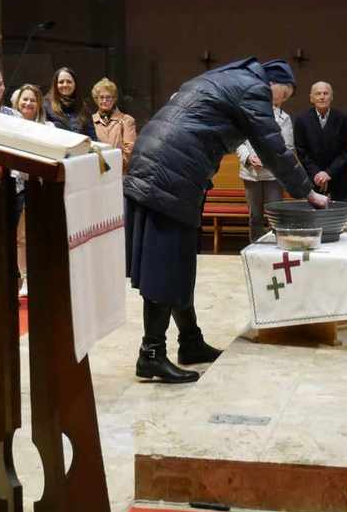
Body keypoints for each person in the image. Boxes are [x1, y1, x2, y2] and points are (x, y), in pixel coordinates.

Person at [125, 57, 327, 384]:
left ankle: (190, 342)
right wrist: (307, 192)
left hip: (159, 163)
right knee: (165, 265)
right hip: (170, 172)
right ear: (274, 83)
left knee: (179, 262)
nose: (280, 102)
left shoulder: (228, 77)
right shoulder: (254, 89)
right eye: (284, 94)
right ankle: (151, 354)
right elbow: (272, 147)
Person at [236, 75, 296, 242]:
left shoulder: (284, 118)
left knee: (276, 216)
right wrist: (249, 157)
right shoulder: (247, 113)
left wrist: (266, 159)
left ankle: (276, 250)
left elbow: (288, 147)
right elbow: (238, 141)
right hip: (250, 174)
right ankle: (254, 249)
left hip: (273, 175)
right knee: (255, 217)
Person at [11, 84, 49, 298]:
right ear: (17, 103)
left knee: (37, 234)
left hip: (39, 186)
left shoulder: (47, 127)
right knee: (20, 237)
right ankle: (23, 277)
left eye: (32, 100)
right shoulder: (9, 124)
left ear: (39, 104)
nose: (28, 103)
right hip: (15, 186)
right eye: (24, 99)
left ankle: (38, 276)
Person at [293, 81, 347, 202]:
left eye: (325, 93)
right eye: (318, 94)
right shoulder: (302, 119)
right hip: (313, 179)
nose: (322, 97)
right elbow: (301, 151)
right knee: (314, 214)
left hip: (340, 179)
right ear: (311, 98)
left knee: (341, 214)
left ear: (331, 97)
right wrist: (317, 174)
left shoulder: (344, 118)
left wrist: (328, 173)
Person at [91, 77, 137, 172]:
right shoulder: (89, 121)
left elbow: (129, 150)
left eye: (108, 97)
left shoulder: (127, 120)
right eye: (101, 97)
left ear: (114, 99)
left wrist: (113, 167)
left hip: (120, 173)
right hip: (96, 171)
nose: (104, 100)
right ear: (96, 99)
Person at [44, 67, 95, 137]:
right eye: (61, 82)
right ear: (55, 85)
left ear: (75, 84)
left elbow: (92, 136)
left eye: (69, 82)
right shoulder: (46, 106)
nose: (65, 85)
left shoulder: (84, 107)